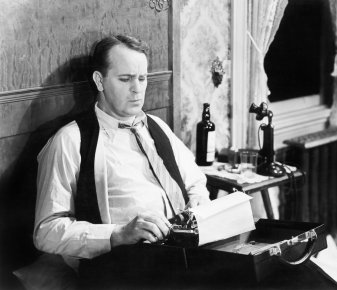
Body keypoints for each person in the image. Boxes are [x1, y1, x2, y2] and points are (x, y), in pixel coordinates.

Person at [33, 35, 210, 273]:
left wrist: (198, 200)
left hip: (182, 257)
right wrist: (118, 234)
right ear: (99, 80)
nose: (137, 90)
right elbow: (46, 231)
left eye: (142, 78)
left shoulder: (157, 126)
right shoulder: (69, 141)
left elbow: (196, 183)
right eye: (125, 79)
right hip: (123, 270)